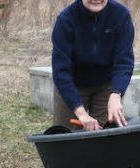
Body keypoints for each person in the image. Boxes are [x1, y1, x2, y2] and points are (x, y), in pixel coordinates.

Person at [52, 0, 134, 131]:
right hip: (72, 84)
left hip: (106, 85)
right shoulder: (66, 20)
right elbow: (60, 71)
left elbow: (124, 62)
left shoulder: (121, 15)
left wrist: (116, 93)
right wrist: (81, 113)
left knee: (105, 135)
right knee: (66, 136)